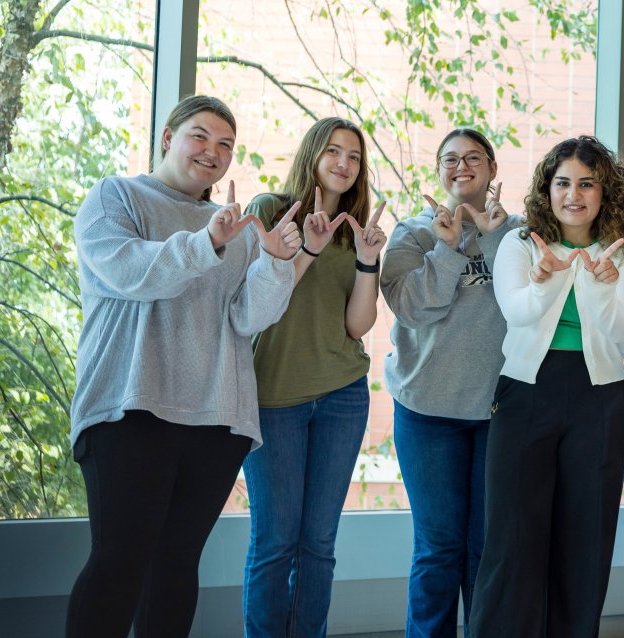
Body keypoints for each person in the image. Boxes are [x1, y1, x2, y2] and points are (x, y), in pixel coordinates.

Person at [67, 95, 300, 637]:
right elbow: (130, 273)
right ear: (169, 137)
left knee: (175, 567)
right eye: (200, 136)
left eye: (225, 145)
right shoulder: (116, 196)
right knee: (119, 561)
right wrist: (207, 243)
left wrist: (278, 263)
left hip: (217, 418)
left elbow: (248, 319)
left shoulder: (234, 229)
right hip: (130, 406)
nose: (212, 151)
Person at [467, 135, 624, 637]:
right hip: (525, 394)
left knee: (584, 543)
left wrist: (597, 281)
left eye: (587, 184)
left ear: (605, 192)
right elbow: (518, 312)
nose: (574, 194)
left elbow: (617, 329)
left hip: (600, 400)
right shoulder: (519, 245)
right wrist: (547, 278)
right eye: (562, 183)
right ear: (547, 190)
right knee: (511, 542)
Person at [241, 116, 388, 637]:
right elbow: (255, 305)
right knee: (275, 542)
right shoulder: (269, 211)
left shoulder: (356, 232)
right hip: (272, 396)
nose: (343, 164)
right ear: (312, 155)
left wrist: (368, 262)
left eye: (353, 156)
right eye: (333, 151)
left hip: (342, 397)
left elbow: (356, 326)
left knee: (318, 544)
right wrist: (306, 250)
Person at [382, 127, 518, 637]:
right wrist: (450, 247)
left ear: (492, 168)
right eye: (450, 159)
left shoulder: (516, 233)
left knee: (486, 549)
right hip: (427, 413)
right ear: (438, 170)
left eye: (474, 157)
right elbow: (414, 307)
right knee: (438, 547)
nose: (462, 166)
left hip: (495, 414)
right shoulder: (413, 233)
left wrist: (490, 235)